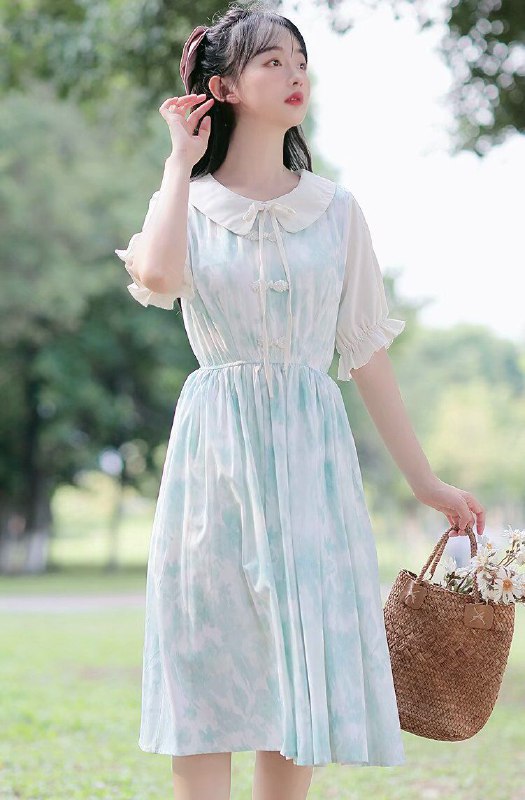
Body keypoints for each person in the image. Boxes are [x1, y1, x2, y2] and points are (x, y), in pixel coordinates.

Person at [115, 3, 486, 799]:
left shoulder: (335, 211)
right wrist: (178, 163)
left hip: (310, 454)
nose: (294, 76)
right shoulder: (185, 200)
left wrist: (425, 482)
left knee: (300, 665)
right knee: (203, 654)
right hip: (215, 454)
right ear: (224, 87)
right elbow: (159, 278)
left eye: (299, 61)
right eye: (272, 61)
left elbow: (366, 355)